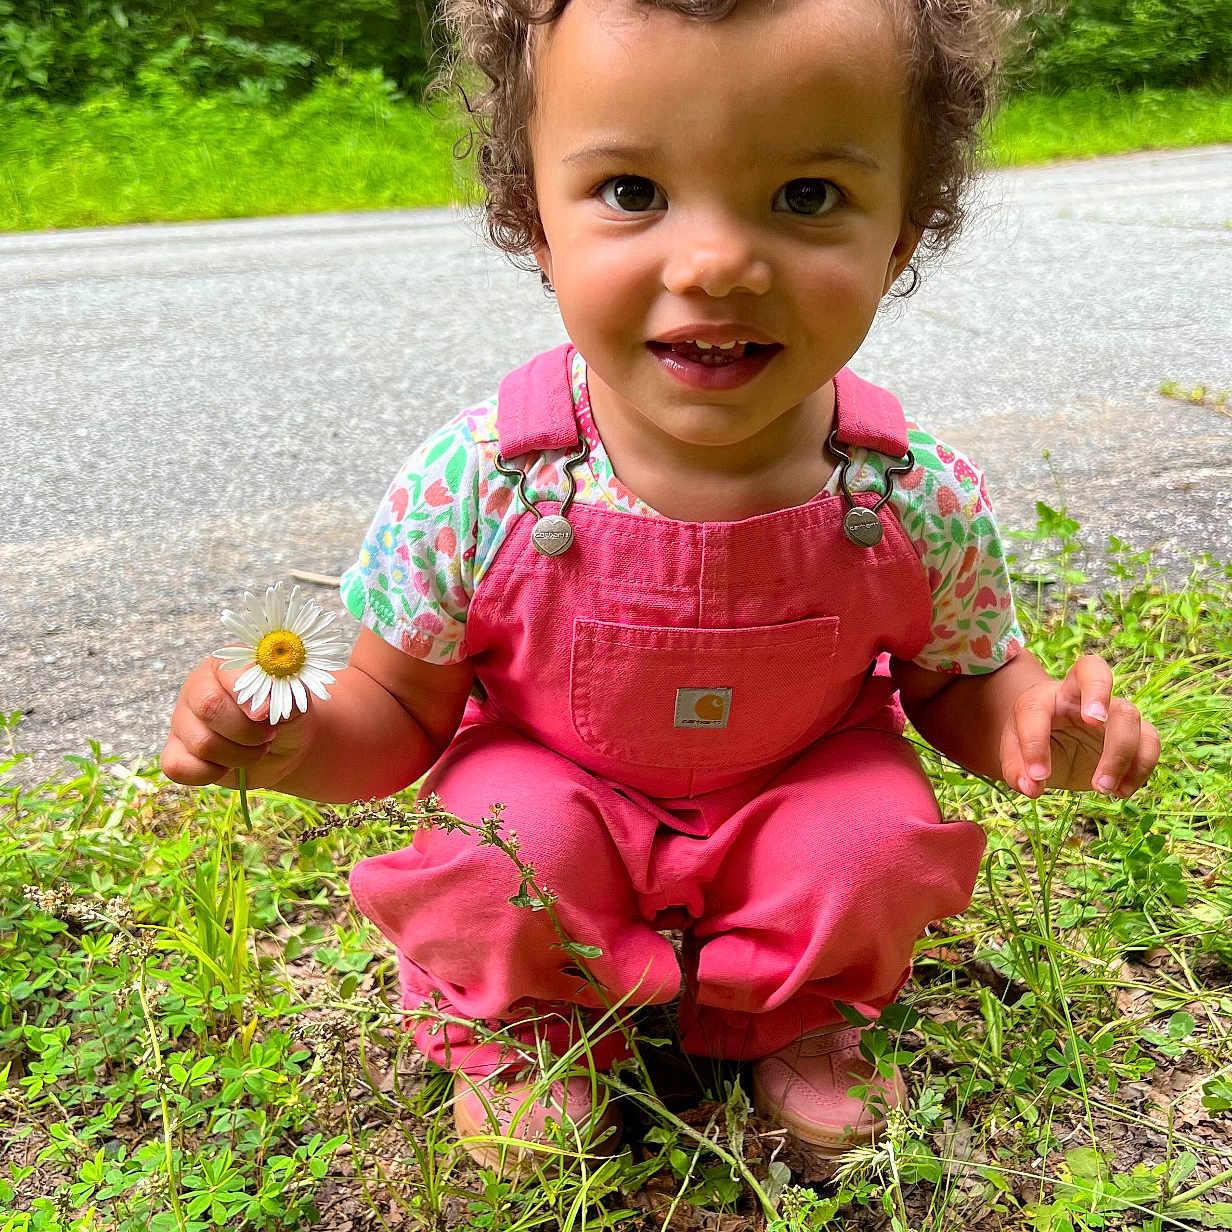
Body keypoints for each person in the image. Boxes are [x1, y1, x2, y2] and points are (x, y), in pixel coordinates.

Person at [162, 0, 1161, 1163]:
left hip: (790, 796)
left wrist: (1034, 725)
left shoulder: (909, 491)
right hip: (561, 796)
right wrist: (295, 742)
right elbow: (396, 710)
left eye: (805, 195)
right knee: (496, 837)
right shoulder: (476, 479)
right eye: (632, 190)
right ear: (533, 221)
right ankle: (530, 1022)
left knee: (875, 834)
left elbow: (958, 681)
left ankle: (797, 1010)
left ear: (899, 236)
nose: (715, 263)